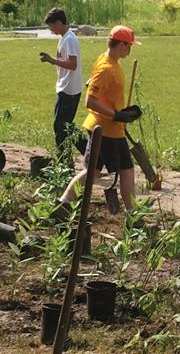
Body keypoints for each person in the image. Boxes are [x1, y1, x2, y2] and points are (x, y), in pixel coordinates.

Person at [53, 26, 143, 218]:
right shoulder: (106, 67)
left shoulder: (107, 60)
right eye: (129, 46)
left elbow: (95, 85)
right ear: (120, 44)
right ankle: (132, 216)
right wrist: (116, 115)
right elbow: (90, 101)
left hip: (104, 127)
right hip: (107, 129)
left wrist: (121, 113)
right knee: (127, 170)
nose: (130, 50)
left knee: (92, 171)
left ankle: (63, 203)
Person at [38, 7, 83, 158]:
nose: (51, 30)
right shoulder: (65, 38)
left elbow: (72, 64)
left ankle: (65, 160)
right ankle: (93, 155)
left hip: (68, 90)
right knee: (66, 126)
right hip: (67, 88)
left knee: (61, 127)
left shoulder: (69, 39)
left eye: (52, 26)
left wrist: (52, 60)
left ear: (58, 22)